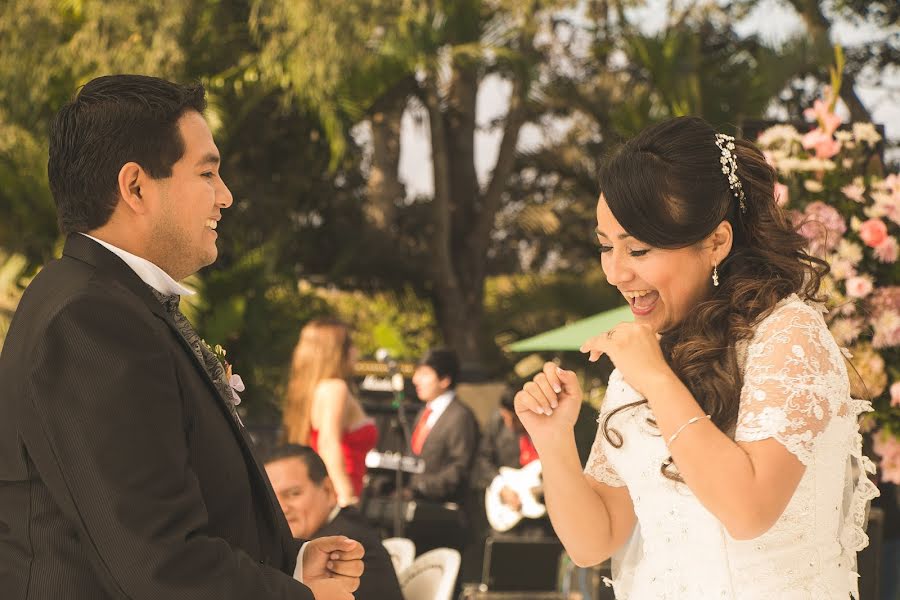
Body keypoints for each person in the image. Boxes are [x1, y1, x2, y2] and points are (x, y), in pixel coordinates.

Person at [0, 75, 363, 600]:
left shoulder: (108, 302)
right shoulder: (89, 320)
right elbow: (159, 564)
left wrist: (293, 564)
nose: (226, 196)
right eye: (208, 173)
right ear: (136, 187)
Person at [514, 116, 879, 599]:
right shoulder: (647, 349)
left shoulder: (789, 334)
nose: (615, 273)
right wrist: (553, 440)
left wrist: (657, 379)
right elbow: (593, 541)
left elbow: (748, 510)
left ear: (716, 242)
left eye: (638, 249)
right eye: (606, 247)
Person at [264, 445, 405, 600]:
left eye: (293, 494)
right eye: (273, 499)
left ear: (328, 490)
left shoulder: (344, 542)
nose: (282, 508)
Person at [283, 318, 378, 507]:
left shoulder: (314, 389)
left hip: (325, 491)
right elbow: (328, 444)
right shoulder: (335, 388)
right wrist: (347, 499)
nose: (356, 352)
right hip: (338, 495)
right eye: (349, 345)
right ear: (335, 352)